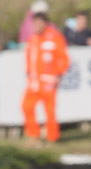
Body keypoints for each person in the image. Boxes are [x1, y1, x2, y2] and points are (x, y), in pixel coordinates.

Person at [21, 12, 69, 144]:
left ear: (45, 23)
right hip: (34, 82)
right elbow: (30, 58)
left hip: (49, 81)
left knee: (49, 111)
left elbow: (63, 58)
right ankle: (33, 134)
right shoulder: (33, 39)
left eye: (39, 23)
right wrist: (29, 73)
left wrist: (59, 74)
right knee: (26, 106)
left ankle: (52, 137)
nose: (36, 26)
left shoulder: (55, 38)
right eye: (34, 23)